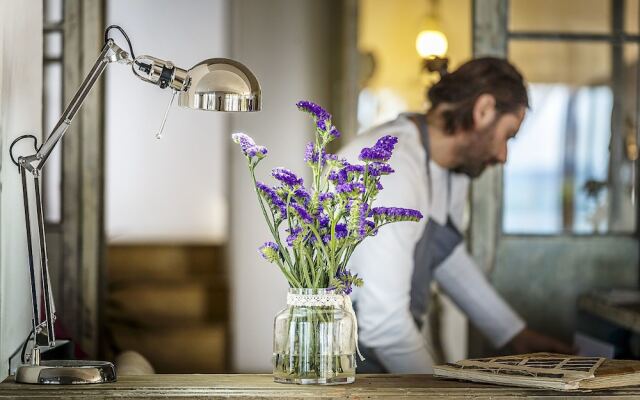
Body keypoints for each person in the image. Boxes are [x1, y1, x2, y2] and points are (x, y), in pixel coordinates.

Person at [340, 57, 573, 373]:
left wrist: (513, 333)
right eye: (508, 136)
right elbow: (383, 324)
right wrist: (440, 393)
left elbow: (445, 255)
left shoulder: (453, 169)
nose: (503, 156)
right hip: (352, 367)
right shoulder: (393, 166)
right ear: (483, 110)